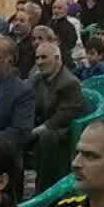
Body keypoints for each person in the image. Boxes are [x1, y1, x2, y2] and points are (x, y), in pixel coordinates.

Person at [28, 39, 87, 188]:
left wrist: (39, 129)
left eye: (44, 57)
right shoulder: (37, 79)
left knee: (46, 136)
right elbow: (26, 100)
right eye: (37, 58)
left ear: (57, 58)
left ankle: (44, 189)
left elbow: (66, 115)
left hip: (63, 129)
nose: (39, 62)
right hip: (41, 124)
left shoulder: (70, 82)